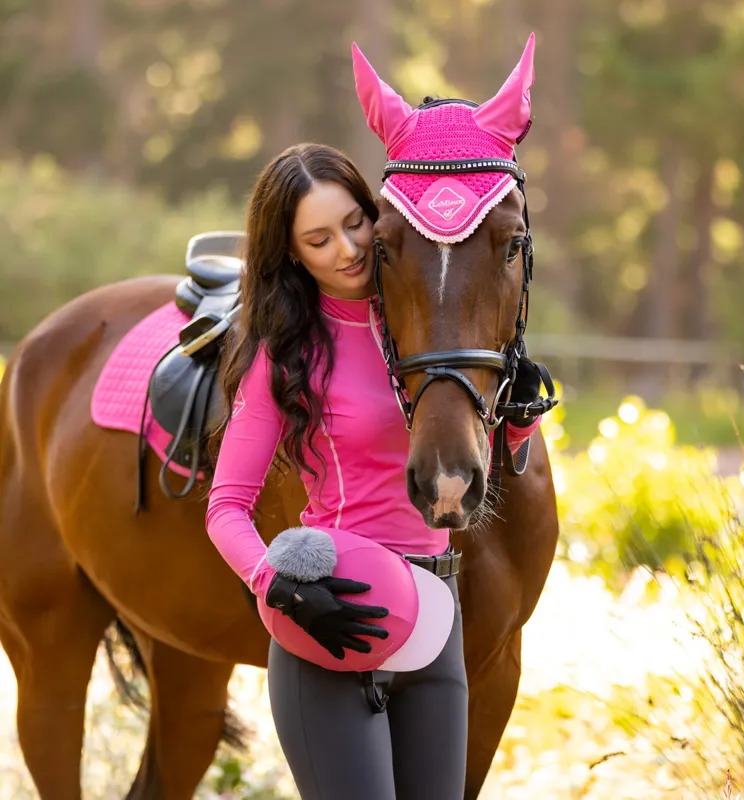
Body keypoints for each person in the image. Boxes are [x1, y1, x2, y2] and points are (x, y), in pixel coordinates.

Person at [205, 141, 540, 799]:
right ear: (293, 253)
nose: (347, 249)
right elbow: (226, 507)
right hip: (332, 620)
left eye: (354, 223)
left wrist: (520, 415)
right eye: (319, 239)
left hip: (434, 623)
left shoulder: (431, 328)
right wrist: (274, 583)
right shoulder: (288, 353)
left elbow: (484, 460)